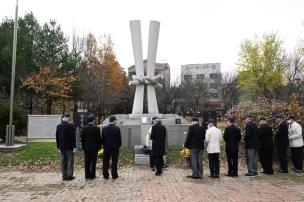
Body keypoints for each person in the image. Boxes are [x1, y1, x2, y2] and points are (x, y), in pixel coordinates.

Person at [55, 113, 76, 181]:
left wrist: (58, 146)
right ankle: (69, 175)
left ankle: (64, 175)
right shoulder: (71, 126)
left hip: (61, 147)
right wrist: (74, 146)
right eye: (69, 117)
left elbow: (57, 137)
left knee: (63, 161)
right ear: (68, 117)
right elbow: (73, 137)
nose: (70, 118)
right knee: (70, 161)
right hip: (69, 147)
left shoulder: (59, 126)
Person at [81, 115, 102, 180]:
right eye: (94, 120)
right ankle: (92, 175)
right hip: (94, 147)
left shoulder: (84, 128)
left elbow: (82, 139)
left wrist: (83, 147)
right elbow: (99, 139)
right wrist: (99, 147)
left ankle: (87, 175)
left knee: (87, 161)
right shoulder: (96, 128)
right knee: (93, 161)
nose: (95, 121)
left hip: (86, 147)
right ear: (93, 120)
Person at [101, 115, 122, 179]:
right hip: (115, 148)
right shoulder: (117, 128)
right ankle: (114, 175)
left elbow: (103, 139)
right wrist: (119, 145)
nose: (116, 122)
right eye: (115, 120)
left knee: (105, 161)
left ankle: (105, 175)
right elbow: (119, 139)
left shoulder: (104, 128)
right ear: (114, 121)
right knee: (114, 161)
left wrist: (104, 145)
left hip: (106, 147)